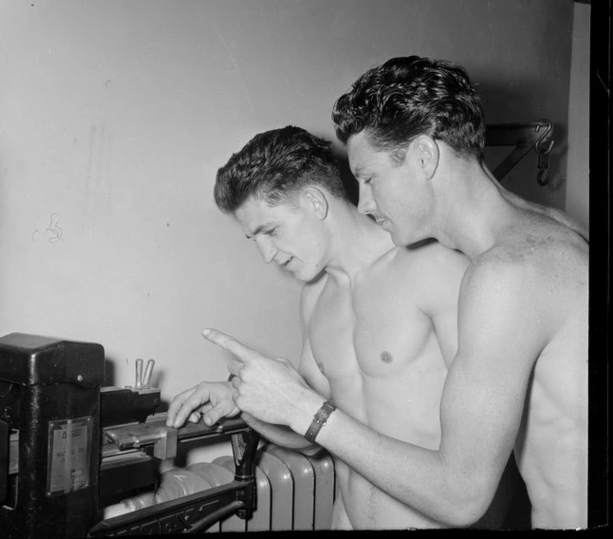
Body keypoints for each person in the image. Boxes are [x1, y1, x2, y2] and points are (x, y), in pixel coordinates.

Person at [198, 57, 588, 529]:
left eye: (368, 178)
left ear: (424, 157)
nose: (362, 201)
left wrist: (303, 407)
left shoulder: (497, 273)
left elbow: (465, 493)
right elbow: (323, 429)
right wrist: (255, 399)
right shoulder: (544, 241)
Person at [167, 125, 514, 529]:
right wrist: (248, 400)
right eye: (253, 239)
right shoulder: (315, 297)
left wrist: (298, 405)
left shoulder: (437, 269)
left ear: (315, 201)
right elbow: (312, 436)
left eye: (270, 231)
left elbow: (480, 477)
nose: (266, 255)